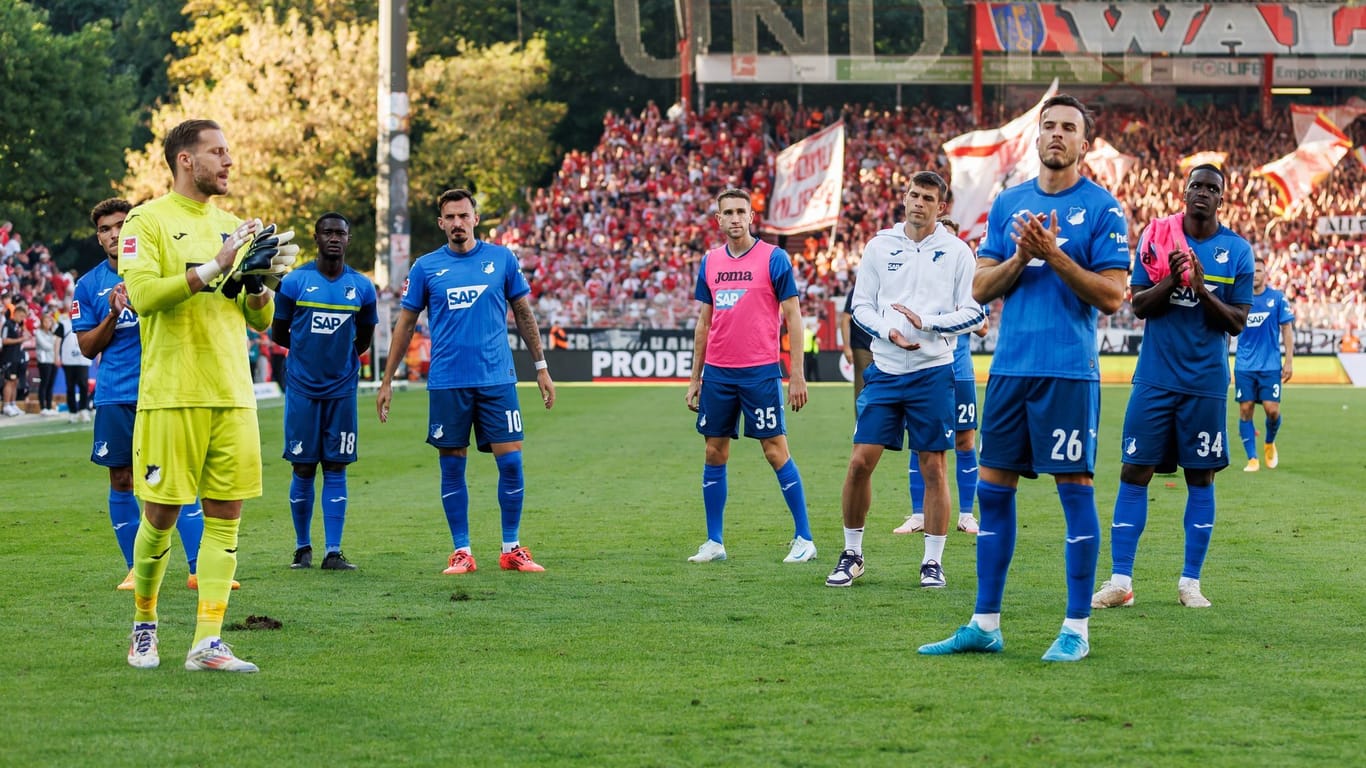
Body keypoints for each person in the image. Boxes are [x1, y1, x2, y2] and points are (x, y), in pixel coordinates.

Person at [919, 94, 1130, 662]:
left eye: (1068, 128)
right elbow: (979, 288)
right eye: (1049, 126)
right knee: (992, 493)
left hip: (1068, 373)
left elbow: (1113, 295)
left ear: (1085, 144)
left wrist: (1055, 256)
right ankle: (985, 623)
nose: (1056, 135)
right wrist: (1022, 256)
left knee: (1075, 493)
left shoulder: (1104, 209)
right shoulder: (1010, 203)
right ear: (1037, 138)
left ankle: (1076, 629)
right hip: (1010, 371)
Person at [119, 118, 295, 672]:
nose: (229, 162)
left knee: (226, 516)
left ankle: (207, 642)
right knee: (163, 514)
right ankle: (144, 625)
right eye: (218, 152)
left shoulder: (232, 225)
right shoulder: (146, 220)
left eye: (229, 152)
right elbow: (144, 297)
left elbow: (258, 320)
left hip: (232, 391)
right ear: (185, 161)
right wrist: (217, 265)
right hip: (172, 394)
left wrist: (260, 283)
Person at [1092, 163, 1253, 611]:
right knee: (1133, 471)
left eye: (1212, 188)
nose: (1202, 192)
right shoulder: (1157, 237)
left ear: (1223, 198)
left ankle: (1190, 583)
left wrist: (1200, 288)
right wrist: (1172, 278)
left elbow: (1237, 323)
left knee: (1200, 477)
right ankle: (1120, 580)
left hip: (1205, 383)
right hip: (1155, 378)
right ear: (1184, 192)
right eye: (1196, 185)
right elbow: (1139, 304)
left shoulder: (1236, 251)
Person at [376, 188, 555, 575]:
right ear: (441, 223)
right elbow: (405, 324)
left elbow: (523, 312)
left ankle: (511, 548)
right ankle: (462, 551)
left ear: (475, 219)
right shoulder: (425, 267)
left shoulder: (501, 259)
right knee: (452, 469)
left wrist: (540, 366)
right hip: (447, 383)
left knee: (512, 465)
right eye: (450, 217)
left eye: (464, 215)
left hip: (497, 380)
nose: (457, 223)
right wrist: (387, 379)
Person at [825, 172, 983, 588]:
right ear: (904, 197)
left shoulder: (957, 252)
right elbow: (861, 307)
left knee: (933, 465)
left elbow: (975, 313)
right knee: (861, 461)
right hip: (886, 370)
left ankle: (932, 562)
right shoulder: (880, 246)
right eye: (913, 195)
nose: (918, 203)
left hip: (933, 372)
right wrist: (887, 331)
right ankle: (852, 553)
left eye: (928, 198)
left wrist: (927, 323)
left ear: (940, 207)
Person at [73, 197, 212, 592]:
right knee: (121, 479)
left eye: (120, 225)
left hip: (165, 390)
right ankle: (137, 569)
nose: (114, 234)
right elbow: (86, 347)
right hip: (116, 394)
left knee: (178, 479)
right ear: (98, 238)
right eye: (105, 229)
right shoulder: (89, 285)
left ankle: (199, 567)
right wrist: (114, 314)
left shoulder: (162, 271)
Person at [684, 188, 815, 565]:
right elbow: (704, 324)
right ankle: (714, 541)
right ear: (719, 220)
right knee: (714, 451)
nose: (736, 218)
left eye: (742, 211)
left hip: (760, 371)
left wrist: (797, 375)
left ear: (752, 217)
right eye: (729, 212)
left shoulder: (774, 259)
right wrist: (696, 378)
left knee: (775, 451)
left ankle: (804, 537)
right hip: (719, 374)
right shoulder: (709, 262)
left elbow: (793, 315)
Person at [271, 212, 377, 571]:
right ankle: (303, 548)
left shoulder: (362, 287)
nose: (334, 238)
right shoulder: (294, 283)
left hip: (342, 390)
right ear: (315, 238)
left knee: (336, 465)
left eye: (341, 233)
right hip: (302, 388)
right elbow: (279, 332)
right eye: (327, 232)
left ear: (349, 240)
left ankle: (334, 551)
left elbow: (364, 338)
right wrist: (307, 355)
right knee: (302, 467)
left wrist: (339, 359)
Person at [894, 315, 989, 537]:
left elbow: (983, 328)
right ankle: (919, 515)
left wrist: (953, 315)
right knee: (919, 439)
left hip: (960, 370)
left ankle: (966, 515)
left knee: (965, 440)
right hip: (924, 369)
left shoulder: (968, 283)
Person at [1233, 257, 1294, 472]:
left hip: (1270, 365)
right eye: (1253, 271)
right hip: (1244, 365)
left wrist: (1288, 361)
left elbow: (1287, 329)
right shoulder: (1240, 299)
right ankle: (1252, 458)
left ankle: (1269, 442)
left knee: (1272, 410)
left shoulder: (1277, 298)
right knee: (1246, 409)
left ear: (1265, 274)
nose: (1255, 275)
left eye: (1259, 271)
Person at [839, 274, 874, 400]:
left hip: (883, 347)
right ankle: (861, 420)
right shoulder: (857, 291)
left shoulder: (885, 289)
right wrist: (847, 347)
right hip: (862, 347)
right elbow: (845, 319)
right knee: (862, 389)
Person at [1, 302, 29, 416]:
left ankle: (13, 403)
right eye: (21, 316)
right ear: (16, 313)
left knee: (15, 381)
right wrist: (20, 339)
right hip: (9, 357)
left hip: (17, 357)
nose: (22, 318)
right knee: (9, 381)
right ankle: (6, 405)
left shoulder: (18, 326)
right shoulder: (8, 324)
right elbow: (4, 340)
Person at [33, 309, 59, 415]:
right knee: (44, 383)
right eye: (46, 321)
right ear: (42, 322)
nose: (48, 323)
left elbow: (58, 328)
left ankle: (49, 407)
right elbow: (46, 346)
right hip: (44, 361)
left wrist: (53, 319)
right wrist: (55, 342)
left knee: (51, 384)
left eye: (49, 322)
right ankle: (43, 408)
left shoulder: (52, 332)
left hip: (53, 360)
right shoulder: (38, 332)